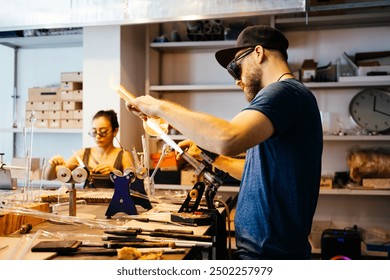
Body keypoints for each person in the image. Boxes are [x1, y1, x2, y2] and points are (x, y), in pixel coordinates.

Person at [126, 25, 323, 259]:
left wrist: (159, 106)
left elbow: (227, 138)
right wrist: (212, 157)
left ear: (258, 53)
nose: (237, 80)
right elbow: (255, 171)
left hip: (269, 255)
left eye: (235, 68)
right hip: (269, 250)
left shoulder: (283, 93)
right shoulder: (291, 97)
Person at [44, 110, 135, 188]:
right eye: (94, 132)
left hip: (114, 203)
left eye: (103, 132)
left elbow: (132, 181)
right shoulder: (83, 153)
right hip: (87, 204)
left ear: (115, 131)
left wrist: (114, 173)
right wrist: (52, 165)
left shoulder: (123, 155)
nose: (98, 136)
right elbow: (50, 177)